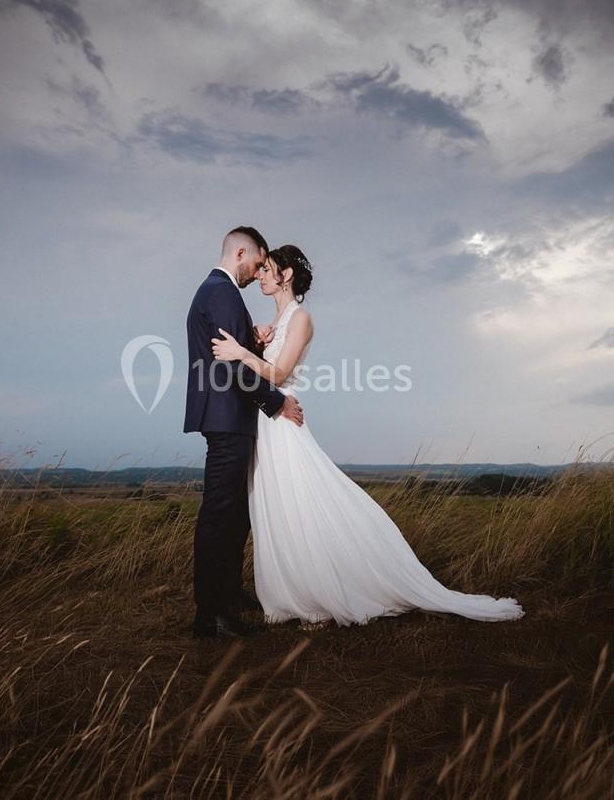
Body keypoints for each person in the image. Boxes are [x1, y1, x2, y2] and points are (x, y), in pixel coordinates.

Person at [211, 245, 524, 629]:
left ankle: (324, 587)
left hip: (283, 424)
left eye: (267, 269)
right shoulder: (274, 323)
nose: (259, 275)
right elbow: (266, 369)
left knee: (301, 502)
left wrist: (242, 352)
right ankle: (291, 590)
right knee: (276, 504)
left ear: (286, 275)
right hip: (267, 423)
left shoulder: (302, 318)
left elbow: (277, 375)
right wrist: (257, 343)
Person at [184, 226, 305, 639]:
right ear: (240, 252)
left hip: (230, 417)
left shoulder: (219, 292)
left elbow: (235, 354)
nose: (257, 274)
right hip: (226, 418)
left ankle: (229, 596)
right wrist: (277, 403)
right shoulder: (221, 292)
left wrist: (253, 340)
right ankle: (212, 616)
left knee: (234, 516)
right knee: (220, 515)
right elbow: (231, 366)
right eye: (256, 264)